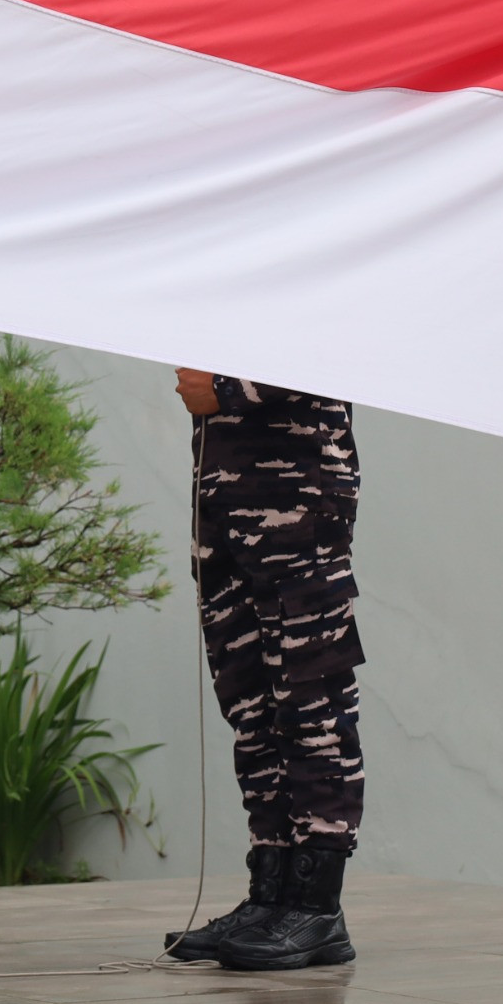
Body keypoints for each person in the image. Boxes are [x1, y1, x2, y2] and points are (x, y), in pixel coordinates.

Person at [164, 369, 365, 971]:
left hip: (299, 507)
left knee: (312, 704)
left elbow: (336, 346)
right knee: (251, 709)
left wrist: (227, 390)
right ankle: (271, 893)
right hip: (223, 507)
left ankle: (316, 907)